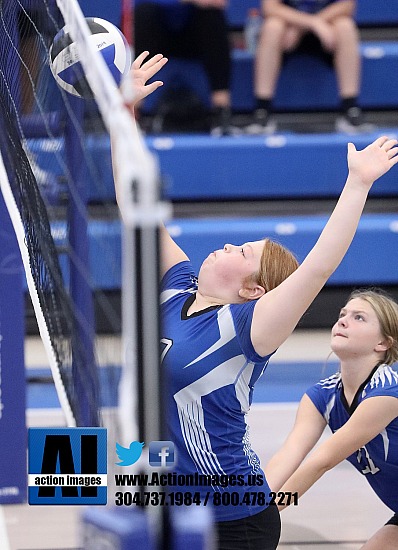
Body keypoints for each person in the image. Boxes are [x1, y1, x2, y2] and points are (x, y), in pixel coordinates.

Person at [119, 52, 398, 550]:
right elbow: (134, 207)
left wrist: (357, 184)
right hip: (166, 501)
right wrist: (123, 115)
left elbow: (319, 267)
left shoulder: (249, 326)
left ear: (255, 289)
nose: (226, 245)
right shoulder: (174, 288)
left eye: (241, 251)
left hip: (235, 520)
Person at [265, 288, 398, 549]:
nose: (343, 320)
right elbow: (288, 456)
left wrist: (263, 515)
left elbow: (321, 462)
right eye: (342, 314)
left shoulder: (388, 392)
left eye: (359, 317)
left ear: (382, 343)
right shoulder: (321, 396)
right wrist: (254, 502)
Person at [248, 0, 373, 135]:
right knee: (272, 26)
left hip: (326, 30)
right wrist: (310, 23)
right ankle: (262, 110)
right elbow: (270, 8)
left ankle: (350, 108)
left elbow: (347, 6)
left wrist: (316, 22)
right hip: (289, 30)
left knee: (345, 26)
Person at [134, 0, 235, 135]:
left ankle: (221, 108)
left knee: (213, 16)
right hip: (160, 34)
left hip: (195, 35)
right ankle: (137, 110)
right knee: (144, 13)